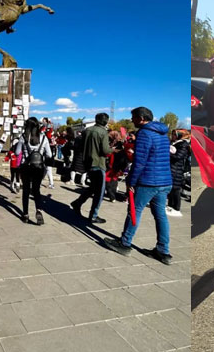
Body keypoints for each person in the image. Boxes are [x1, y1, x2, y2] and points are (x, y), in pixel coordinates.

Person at [105, 107, 173, 264]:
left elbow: (139, 161)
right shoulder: (163, 133)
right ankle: (163, 251)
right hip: (164, 180)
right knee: (160, 215)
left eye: (133, 117)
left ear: (141, 118)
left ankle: (125, 243)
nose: (132, 120)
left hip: (148, 180)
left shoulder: (144, 133)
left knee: (134, 211)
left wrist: (131, 181)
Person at [70, 113, 113, 224]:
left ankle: (78, 203)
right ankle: (93, 215)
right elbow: (105, 151)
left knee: (93, 188)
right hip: (98, 164)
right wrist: (113, 150)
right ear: (105, 121)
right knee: (99, 192)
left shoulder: (86, 131)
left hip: (87, 162)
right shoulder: (103, 132)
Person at [15, 117, 51, 225]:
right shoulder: (44, 138)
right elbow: (49, 154)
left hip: (26, 167)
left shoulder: (23, 137)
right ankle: (38, 210)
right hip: (39, 168)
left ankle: (25, 214)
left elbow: (17, 153)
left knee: (26, 190)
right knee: (36, 190)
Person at [166, 129, 190, 217]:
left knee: (176, 190)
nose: (173, 136)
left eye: (174, 134)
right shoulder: (175, 143)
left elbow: (178, 156)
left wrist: (167, 153)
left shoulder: (183, 144)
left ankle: (176, 208)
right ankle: (170, 206)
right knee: (171, 189)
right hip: (172, 168)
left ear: (179, 135)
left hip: (177, 169)